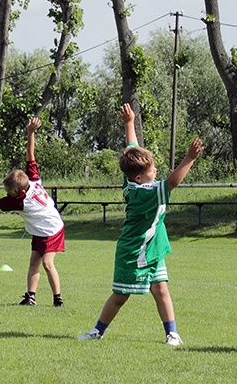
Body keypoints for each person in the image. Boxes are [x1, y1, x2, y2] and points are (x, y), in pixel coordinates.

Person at [77, 103, 203, 345]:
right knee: (121, 295)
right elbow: (172, 183)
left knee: (161, 290)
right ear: (138, 177)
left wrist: (129, 123)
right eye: (151, 169)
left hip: (153, 247)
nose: (155, 171)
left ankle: (172, 333)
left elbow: (131, 147)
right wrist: (189, 158)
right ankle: (98, 330)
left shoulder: (135, 179)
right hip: (134, 251)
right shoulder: (142, 193)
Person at [0, 117, 65, 308]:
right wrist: (30, 133)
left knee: (47, 263)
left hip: (52, 229)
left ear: (17, 192)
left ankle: (58, 299)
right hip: (40, 229)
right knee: (34, 260)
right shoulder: (33, 180)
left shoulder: (20, 201)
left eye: (8, 191)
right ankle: (31, 297)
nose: (6, 194)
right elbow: (30, 154)